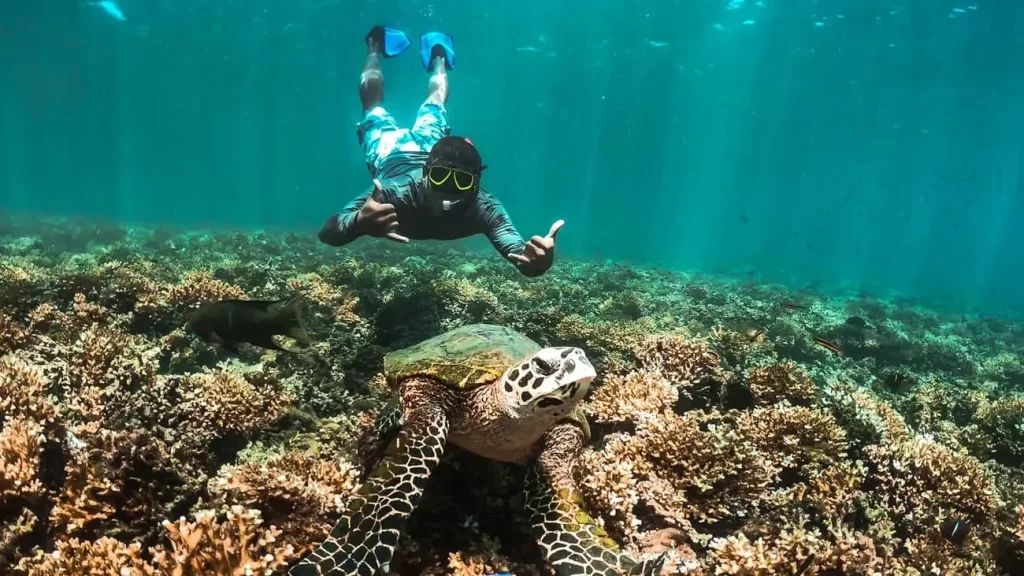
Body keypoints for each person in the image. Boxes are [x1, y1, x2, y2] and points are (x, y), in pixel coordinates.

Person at [317, 25, 563, 277]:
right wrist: (357, 222)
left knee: (421, 105)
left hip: (419, 146)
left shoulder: (484, 207)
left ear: (477, 183)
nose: (449, 189)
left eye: (462, 180)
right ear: (425, 173)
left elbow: (521, 257)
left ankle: (438, 58)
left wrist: (539, 263)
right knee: (379, 105)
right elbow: (328, 232)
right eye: (440, 176)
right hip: (391, 150)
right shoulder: (394, 192)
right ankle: (377, 46)